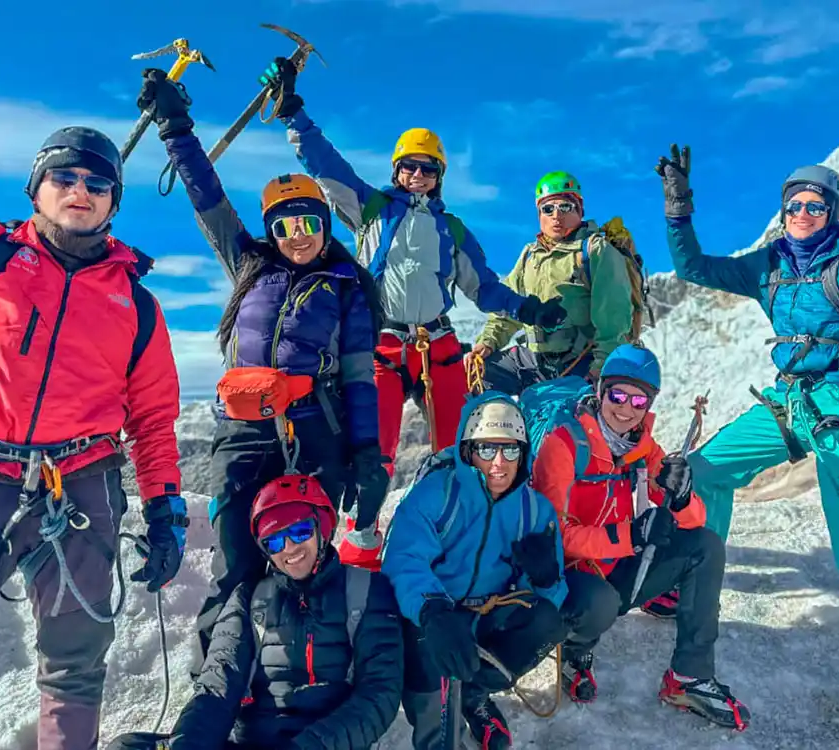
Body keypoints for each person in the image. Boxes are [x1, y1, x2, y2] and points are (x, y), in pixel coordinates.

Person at [0, 126, 186, 749]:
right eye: (64, 178)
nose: (81, 191)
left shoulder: (138, 304)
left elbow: (152, 420)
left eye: (98, 183)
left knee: (77, 666)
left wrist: (166, 508)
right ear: (36, 188)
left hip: (80, 488)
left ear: (114, 201)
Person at [656, 144, 839, 735]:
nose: (802, 214)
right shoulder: (769, 263)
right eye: (793, 205)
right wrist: (678, 211)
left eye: (815, 206)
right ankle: (696, 579)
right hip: (792, 400)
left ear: (833, 212)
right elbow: (697, 268)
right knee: (704, 470)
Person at [135, 69, 388, 654]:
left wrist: (368, 455)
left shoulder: (346, 285)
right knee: (239, 558)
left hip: (313, 430)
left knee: (307, 555)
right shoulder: (249, 264)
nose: (296, 235)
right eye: (282, 225)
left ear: (325, 225)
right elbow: (206, 194)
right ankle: (226, 677)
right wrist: (175, 127)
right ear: (270, 232)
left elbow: (357, 377)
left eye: (308, 222)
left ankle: (317, 666)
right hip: (244, 431)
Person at [259, 57, 566, 488]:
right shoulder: (371, 209)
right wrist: (293, 112)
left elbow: (485, 289)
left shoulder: (452, 230)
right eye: (409, 166)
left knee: (456, 448)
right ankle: (363, 537)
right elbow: (325, 166)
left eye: (427, 168)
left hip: (436, 344)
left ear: (439, 176)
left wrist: (529, 310)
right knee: (373, 446)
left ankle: (453, 530)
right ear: (396, 171)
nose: (417, 175)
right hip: (381, 341)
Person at [531, 344, 751, 730]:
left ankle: (689, 677)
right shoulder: (562, 446)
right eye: (617, 394)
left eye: (638, 399)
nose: (626, 407)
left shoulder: (641, 447)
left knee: (705, 547)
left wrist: (680, 498)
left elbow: (693, 521)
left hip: (615, 568)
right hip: (564, 580)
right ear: (600, 390)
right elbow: (555, 539)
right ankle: (575, 651)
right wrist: (630, 535)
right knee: (598, 601)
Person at [106, 472, 403, 750]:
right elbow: (218, 684)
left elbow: (379, 695)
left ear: (322, 528)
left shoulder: (366, 591)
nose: (289, 548)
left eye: (300, 532)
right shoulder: (251, 597)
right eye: (274, 541)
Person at [382, 392, 568, 749]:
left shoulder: (535, 512)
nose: (499, 463)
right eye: (487, 450)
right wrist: (433, 610)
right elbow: (404, 559)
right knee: (427, 648)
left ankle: (474, 694)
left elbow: (551, 596)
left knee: (545, 622)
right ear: (468, 451)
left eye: (510, 450)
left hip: (486, 614)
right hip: (430, 618)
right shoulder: (436, 494)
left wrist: (546, 579)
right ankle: (435, 733)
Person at [470, 171, 646, 393]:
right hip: (533, 360)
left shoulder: (595, 251)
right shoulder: (529, 257)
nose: (556, 215)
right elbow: (507, 312)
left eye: (565, 207)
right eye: (548, 209)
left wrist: (600, 368)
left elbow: (613, 318)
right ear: (539, 214)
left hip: (581, 362)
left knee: (561, 422)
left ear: (579, 210)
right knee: (479, 375)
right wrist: (487, 343)